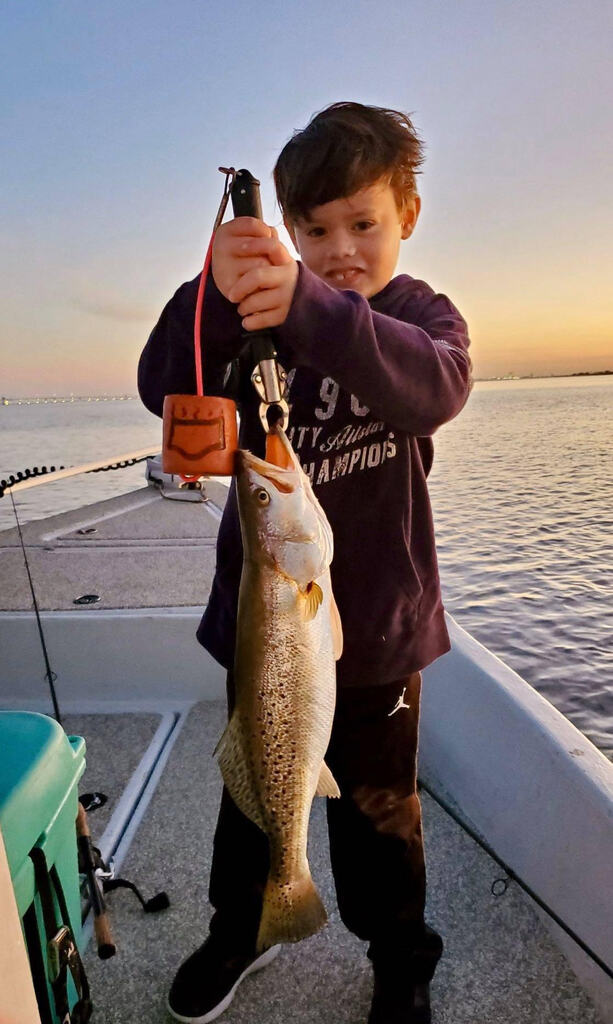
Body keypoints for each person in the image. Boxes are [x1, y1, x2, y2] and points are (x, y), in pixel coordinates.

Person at [138, 101, 472, 1024]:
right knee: (253, 793)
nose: (339, 251)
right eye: (313, 231)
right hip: (262, 621)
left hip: (378, 636)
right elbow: (159, 382)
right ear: (286, 230)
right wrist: (210, 291)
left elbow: (433, 388)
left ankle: (399, 954)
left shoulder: (418, 316)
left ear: (405, 215)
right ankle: (243, 926)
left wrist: (314, 310)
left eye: (362, 225)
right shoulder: (255, 312)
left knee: (378, 816)